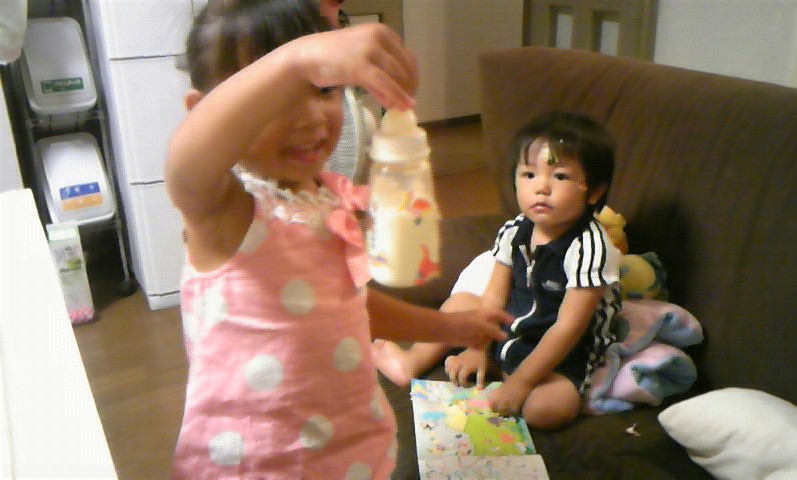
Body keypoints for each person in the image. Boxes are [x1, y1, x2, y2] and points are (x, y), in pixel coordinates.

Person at [165, 1, 512, 477]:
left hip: (346, 446)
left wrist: (447, 328)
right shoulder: (223, 207)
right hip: (258, 461)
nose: (311, 117)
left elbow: (345, 304)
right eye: (277, 97)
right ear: (201, 110)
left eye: (324, 89)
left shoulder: (322, 197)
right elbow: (185, 161)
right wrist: (297, 60)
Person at [373, 111, 622, 430]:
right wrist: (476, 346)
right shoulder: (514, 230)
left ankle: (503, 371)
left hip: (562, 353)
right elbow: (493, 296)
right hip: (511, 326)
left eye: (560, 176)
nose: (541, 187)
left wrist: (522, 382)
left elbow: (568, 328)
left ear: (595, 191)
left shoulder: (590, 247)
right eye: (529, 174)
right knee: (461, 303)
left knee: (548, 411)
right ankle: (413, 361)